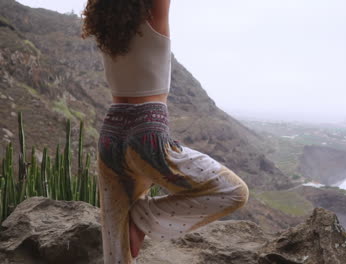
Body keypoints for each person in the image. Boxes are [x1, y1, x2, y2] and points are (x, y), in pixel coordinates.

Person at [81, 1, 250, 263]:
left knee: (117, 251)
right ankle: (141, 218)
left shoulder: (106, 23)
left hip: (110, 135)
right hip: (146, 134)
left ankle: (133, 222)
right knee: (234, 191)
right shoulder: (154, 13)